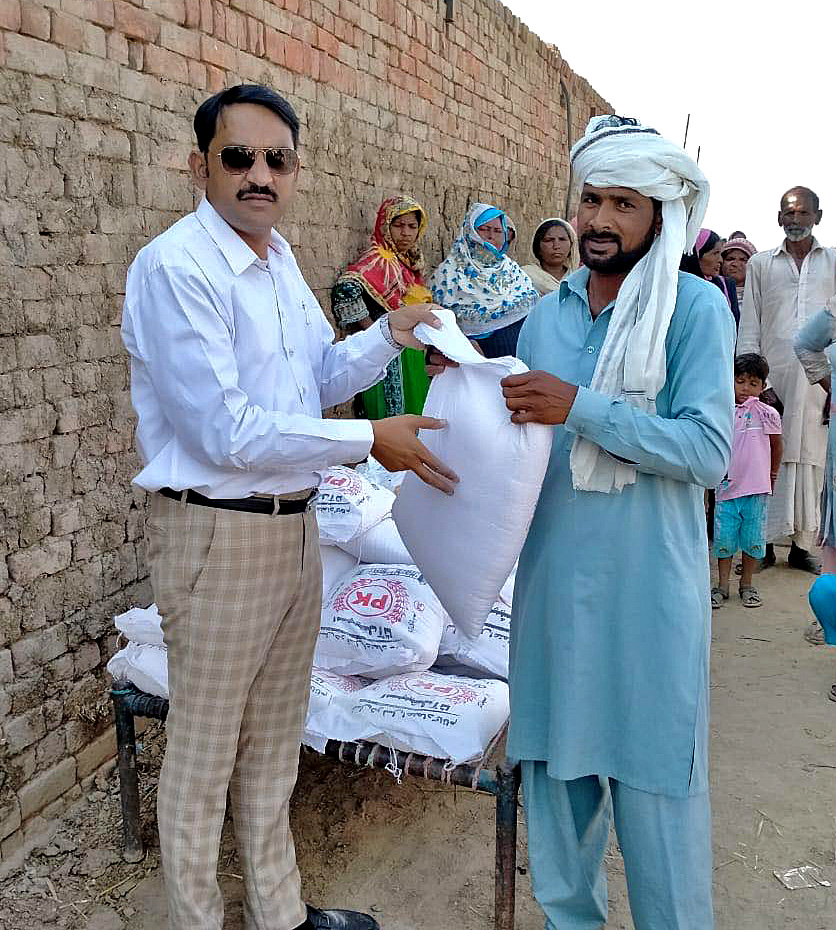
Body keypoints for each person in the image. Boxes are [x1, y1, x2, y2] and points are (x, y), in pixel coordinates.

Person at [120, 84, 458, 930]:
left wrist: (390, 334)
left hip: (293, 528)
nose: (259, 175)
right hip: (217, 535)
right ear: (201, 166)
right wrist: (368, 438)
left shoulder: (276, 261)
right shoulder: (177, 268)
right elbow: (224, 431)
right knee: (203, 755)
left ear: (295, 170)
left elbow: (317, 377)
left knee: (274, 743)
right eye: (239, 157)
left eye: (278, 159)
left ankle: (280, 915)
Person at [430, 115, 733, 929]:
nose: (599, 220)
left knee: (659, 806)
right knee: (557, 807)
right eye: (592, 199)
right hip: (555, 594)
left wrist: (584, 408)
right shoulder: (546, 315)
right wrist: (463, 398)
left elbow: (708, 451)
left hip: (647, 599)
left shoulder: (694, 309)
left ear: (661, 216)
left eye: (624, 204)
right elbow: (521, 440)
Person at [738, 186, 836, 574]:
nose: (795, 219)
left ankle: (801, 547)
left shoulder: (833, 261)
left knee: (812, 462)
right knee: (764, 459)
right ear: (779, 218)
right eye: (788, 213)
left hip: (820, 383)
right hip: (772, 379)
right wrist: (755, 383)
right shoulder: (761, 264)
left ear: (818, 216)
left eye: (803, 212)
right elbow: (751, 322)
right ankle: (761, 546)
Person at [331, 196, 432, 418]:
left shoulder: (410, 262)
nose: (405, 233)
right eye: (398, 225)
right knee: (389, 415)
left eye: (412, 226)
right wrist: (375, 331)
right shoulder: (379, 259)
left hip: (411, 351)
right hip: (386, 352)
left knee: (415, 411)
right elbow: (346, 288)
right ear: (385, 226)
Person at [711, 354, 783, 609]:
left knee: (753, 539)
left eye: (753, 383)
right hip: (726, 488)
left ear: (763, 386)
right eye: (740, 381)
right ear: (730, 380)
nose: (745, 388)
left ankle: (747, 584)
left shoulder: (768, 414)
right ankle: (722, 585)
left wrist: (772, 475)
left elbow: (776, 446)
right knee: (724, 540)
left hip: (756, 489)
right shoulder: (721, 412)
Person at [429, 203, 540, 357]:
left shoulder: (514, 272)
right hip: (466, 362)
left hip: (516, 360)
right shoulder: (448, 274)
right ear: (470, 231)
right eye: (484, 229)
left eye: (498, 231)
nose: (491, 236)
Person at [680, 227, 740, 324]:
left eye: (720, 254)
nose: (720, 260)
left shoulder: (726, 285)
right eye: (715, 253)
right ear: (697, 255)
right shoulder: (680, 287)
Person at [521, 217, 579, 294]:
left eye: (562, 239)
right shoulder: (524, 277)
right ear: (537, 247)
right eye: (549, 240)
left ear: (572, 245)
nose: (556, 246)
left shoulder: (580, 279)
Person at [720, 236, 757, 310]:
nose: (736, 264)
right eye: (730, 259)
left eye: (743, 260)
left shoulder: (760, 296)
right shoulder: (712, 293)